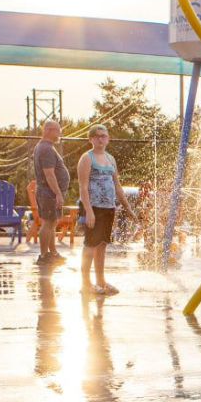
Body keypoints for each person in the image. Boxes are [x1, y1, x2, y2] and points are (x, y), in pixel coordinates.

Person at [76, 126, 135, 295]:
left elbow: (117, 185)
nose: (100, 139)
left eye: (103, 136)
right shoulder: (87, 158)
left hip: (108, 207)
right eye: (96, 136)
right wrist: (89, 211)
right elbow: (83, 187)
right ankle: (86, 284)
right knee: (90, 245)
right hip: (93, 207)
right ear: (91, 139)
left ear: (108, 139)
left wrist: (127, 207)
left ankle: (100, 282)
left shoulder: (110, 159)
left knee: (102, 245)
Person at [33, 120, 70, 265]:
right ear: (48, 130)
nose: (59, 133)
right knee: (48, 223)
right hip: (49, 192)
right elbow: (49, 174)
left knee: (52, 223)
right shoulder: (46, 149)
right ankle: (43, 255)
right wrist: (58, 193)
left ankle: (52, 253)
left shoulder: (44, 147)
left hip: (48, 192)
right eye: (57, 130)